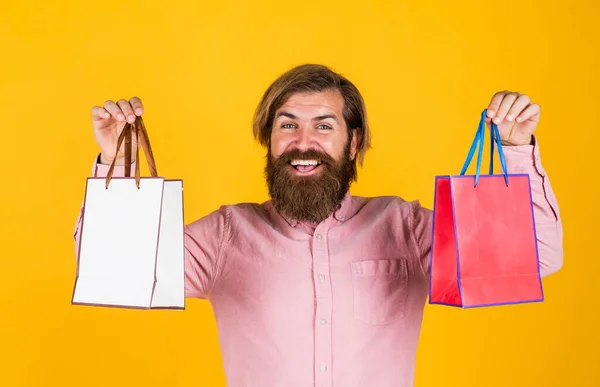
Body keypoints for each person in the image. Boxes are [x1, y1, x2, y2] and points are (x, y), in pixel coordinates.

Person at [74, 64, 563, 387]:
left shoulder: (405, 228)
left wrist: (516, 149)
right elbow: (114, 269)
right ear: (269, 141)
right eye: (287, 125)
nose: (303, 142)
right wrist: (116, 160)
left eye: (323, 126)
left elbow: (536, 260)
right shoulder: (226, 235)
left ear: (353, 145)